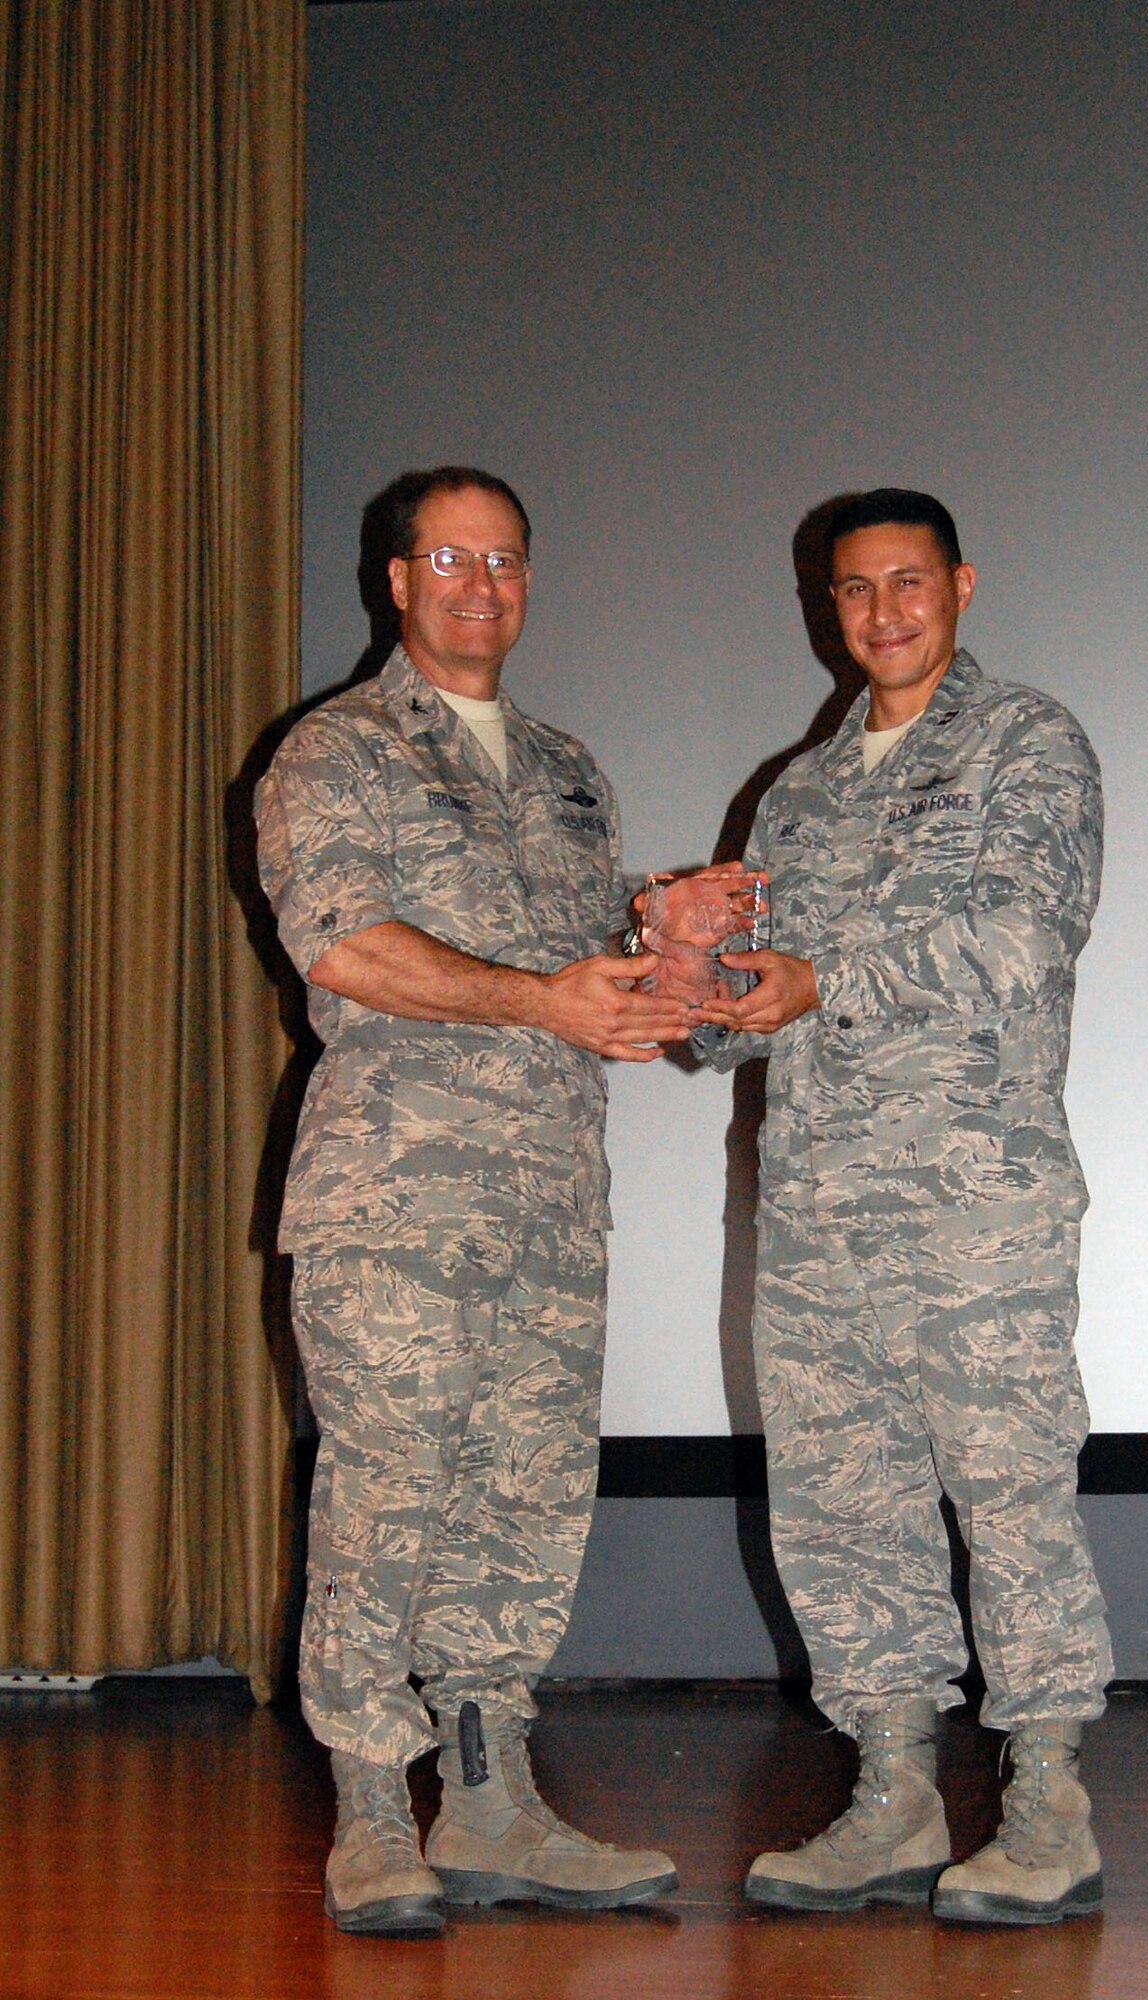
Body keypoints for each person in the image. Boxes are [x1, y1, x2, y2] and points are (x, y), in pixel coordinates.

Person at [255, 466, 687, 1937]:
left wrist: (671, 956)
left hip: (552, 1205)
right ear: (396, 581)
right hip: (398, 1201)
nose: (479, 587)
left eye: (503, 561)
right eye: (449, 560)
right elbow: (345, 946)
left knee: (523, 1504)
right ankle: (374, 1812)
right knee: (388, 1499)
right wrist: (544, 1001)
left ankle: (494, 1805)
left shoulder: (568, 769)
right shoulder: (338, 751)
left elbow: (590, 977)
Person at [691, 488, 1113, 1926]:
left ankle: (1046, 1799)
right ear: (830, 607)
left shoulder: (1024, 743)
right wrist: (695, 976)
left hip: (972, 1203)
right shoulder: (797, 792)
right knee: (840, 1507)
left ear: (960, 586)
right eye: (854, 590)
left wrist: (825, 978)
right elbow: (743, 1026)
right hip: (817, 1214)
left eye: (908, 582)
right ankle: (891, 1794)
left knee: (1009, 1494)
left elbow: (1025, 933)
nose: (882, 612)